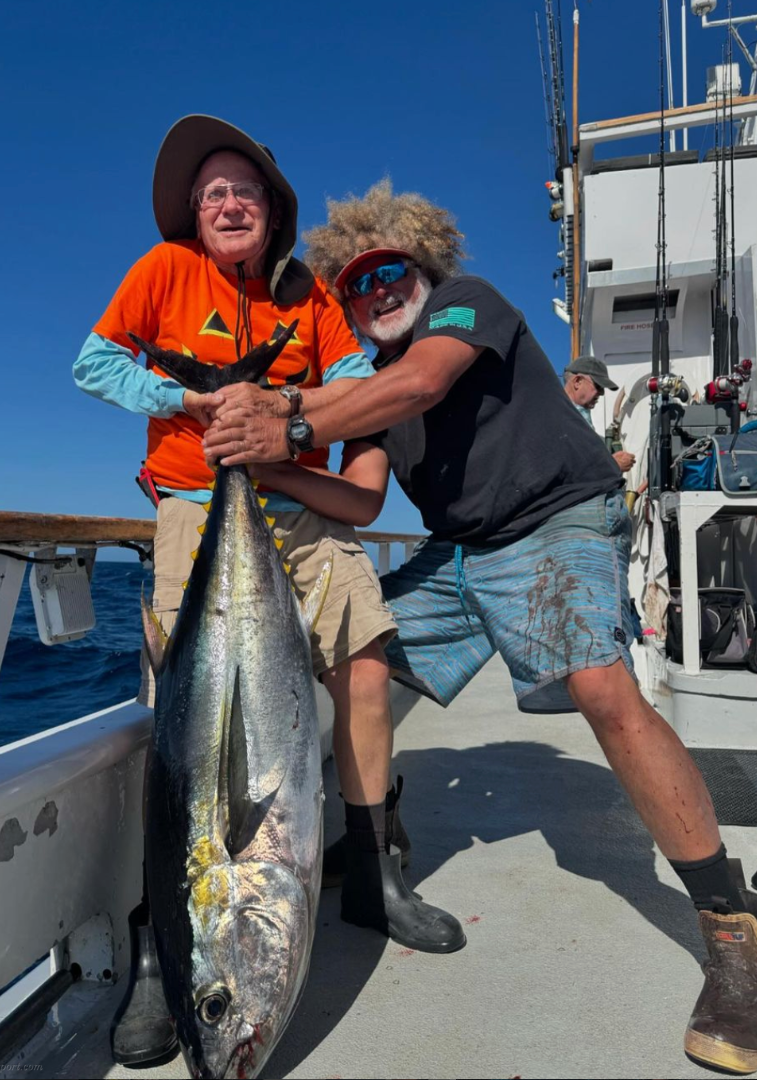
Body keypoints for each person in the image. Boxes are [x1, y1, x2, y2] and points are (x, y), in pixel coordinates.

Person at [202, 178, 757, 1076]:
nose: (376, 292)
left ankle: (731, 925)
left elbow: (426, 381)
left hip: (559, 520)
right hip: (460, 552)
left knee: (597, 685)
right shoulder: (368, 388)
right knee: (357, 656)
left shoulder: (467, 308)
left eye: (388, 273)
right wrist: (266, 474)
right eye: (355, 286)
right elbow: (364, 494)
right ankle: (379, 838)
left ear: (420, 267)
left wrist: (289, 417)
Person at [73, 125, 464, 1067]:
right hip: (197, 507)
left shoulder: (314, 297)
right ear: (194, 215)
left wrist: (285, 425)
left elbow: (361, 382)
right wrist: (191, 404)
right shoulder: (162, 272)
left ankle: (372, 873)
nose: (229, 205)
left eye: (244, 190)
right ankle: (169, 959)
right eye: (212, 195)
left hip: (293, 501)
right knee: (188, 723)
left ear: (272, 208)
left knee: (366, 672)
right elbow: (93, 364)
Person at [563, 355, 635, 473]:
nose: (601, 393)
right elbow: (566, 467)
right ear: (577, 382)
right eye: (598, 386)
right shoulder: (558, 417)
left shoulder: (575, 415)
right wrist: (611, 465)